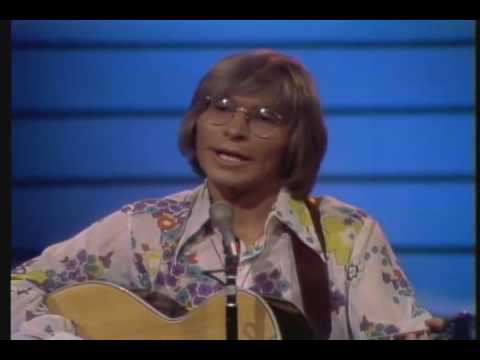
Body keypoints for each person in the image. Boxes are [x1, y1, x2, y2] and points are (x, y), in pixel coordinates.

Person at [11, 49, 444, 340]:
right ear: (197, 121)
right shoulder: (141, 229)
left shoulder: (346, 236)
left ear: (295, 140)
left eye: (264, 117)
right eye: (219, 108)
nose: (234, 131)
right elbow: (19, 287)